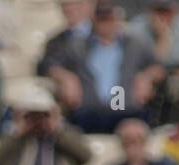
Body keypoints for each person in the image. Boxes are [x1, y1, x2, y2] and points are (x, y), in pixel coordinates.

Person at [49, 1, 160, 135]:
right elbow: (50, 65)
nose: (105, 23)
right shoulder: (77, 45)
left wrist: (146, 77)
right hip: (88, 112)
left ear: (117, 18)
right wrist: (66, 78)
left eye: (109, 18)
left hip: (126, 111)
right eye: (100, 18)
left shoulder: (134, 44)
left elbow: (158, 66)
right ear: (93, 19)